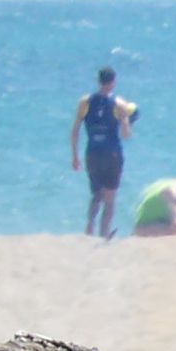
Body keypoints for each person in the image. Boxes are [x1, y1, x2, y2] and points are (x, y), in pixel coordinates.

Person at [70, 66, 137, 238]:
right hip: (112, 154)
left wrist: (75, 157)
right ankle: (104, 233)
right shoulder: (119, 104)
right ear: (113, 82)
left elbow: (75, 130)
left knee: (96, 194)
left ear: (98, 81)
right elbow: (125, 134)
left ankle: (89, 227)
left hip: (92, 152)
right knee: (110, 198)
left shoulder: (84, 102)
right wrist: (129, 121)